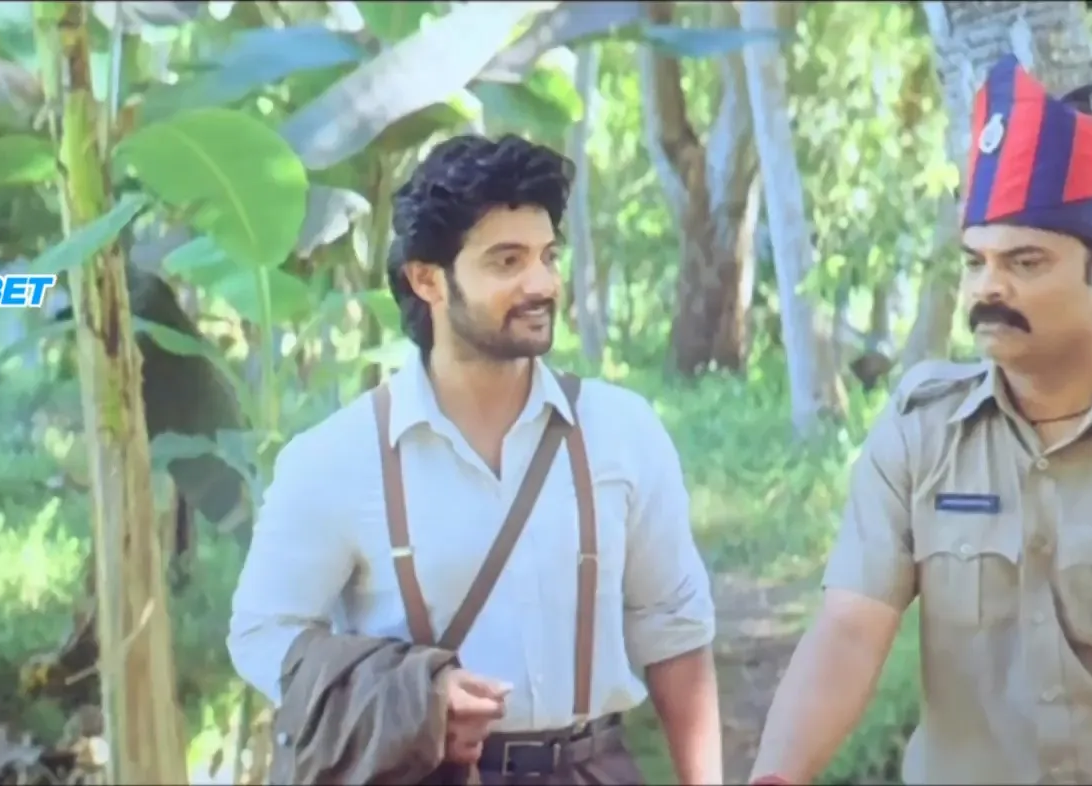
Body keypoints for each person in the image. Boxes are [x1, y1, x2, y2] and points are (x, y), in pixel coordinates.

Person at [747, 55, 1092, 785]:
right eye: (975, 261)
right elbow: (850, 632)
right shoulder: (922, 431)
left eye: (1025, 262)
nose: (989, 288)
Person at [228, 134, 723, 785]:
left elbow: (675, 631)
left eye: (548, 256)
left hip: (592, 770)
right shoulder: (336, 460)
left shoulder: (621, 432)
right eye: (507, 261)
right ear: (427, 279)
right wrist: (410, 699)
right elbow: (262, 635)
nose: (541, 283)